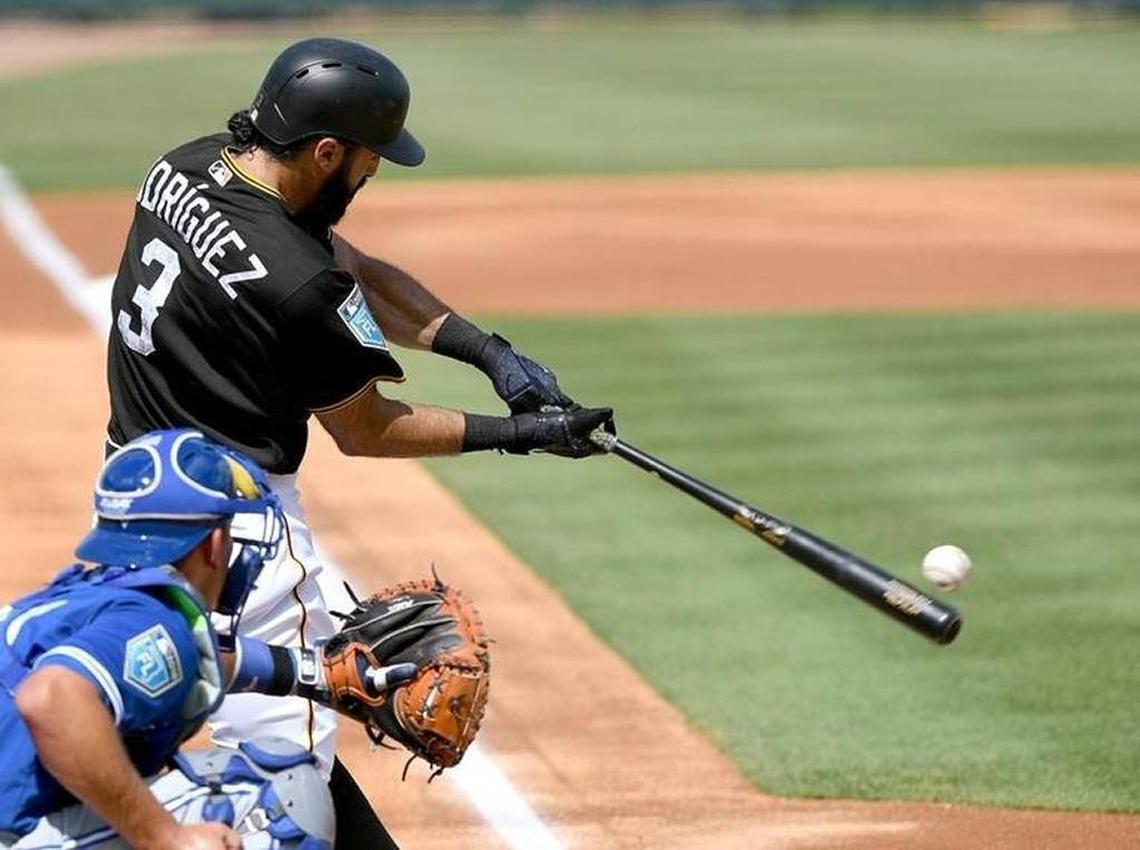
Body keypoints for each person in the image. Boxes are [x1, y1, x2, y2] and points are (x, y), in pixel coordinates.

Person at [0, 428, 360, 848]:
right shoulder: (154, 619)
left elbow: (186, 661)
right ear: (214, 543)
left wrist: (309, 673)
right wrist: (165, 836)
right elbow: (50, 697)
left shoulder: (91, 599)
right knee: (277, 793)